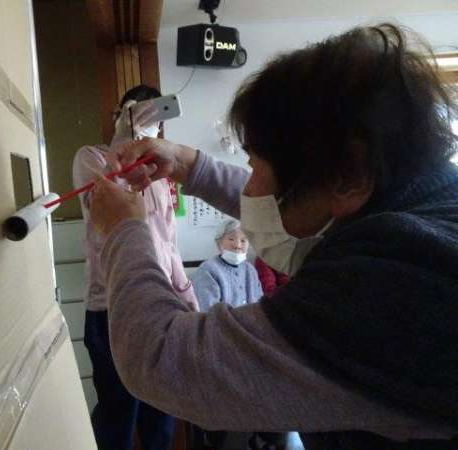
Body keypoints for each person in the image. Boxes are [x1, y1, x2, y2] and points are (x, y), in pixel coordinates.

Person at [88, 24, 458, 450]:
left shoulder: (396, 288)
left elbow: (160, 360)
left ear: (347, 178)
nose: (250, 189)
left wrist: (124, 230)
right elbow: (297, 206)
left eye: (256, 167)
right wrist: (189, 166)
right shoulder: (421, 207)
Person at [72, 84, 198, 450]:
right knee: (118, 417)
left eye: (155, 117)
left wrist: (186, 293)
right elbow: (99, 205)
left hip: (163, 305)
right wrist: (124, 140)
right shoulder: (91, 158)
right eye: (138, 112)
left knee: (162, 416)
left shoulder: (160, 176)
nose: (148, 123)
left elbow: (168, 243)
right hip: (110, 308)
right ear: (120, 114)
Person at [192, 219, 263, 312]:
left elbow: (260, 304)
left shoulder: (250, 269)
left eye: (243, 240)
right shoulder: (207, 270)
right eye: (231, 239)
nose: (238, 245)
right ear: (219, 242)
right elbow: (209, 312)